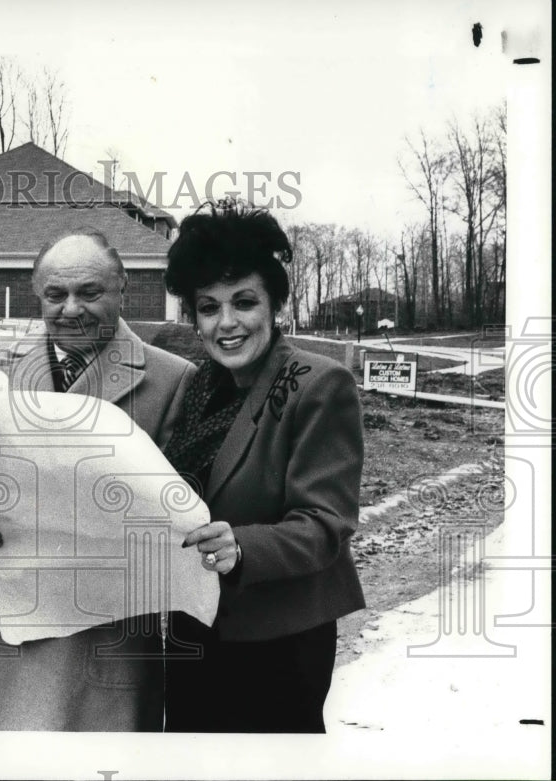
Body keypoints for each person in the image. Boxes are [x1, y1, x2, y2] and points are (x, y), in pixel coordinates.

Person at [0, 227, 197, 730]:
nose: (72, 309)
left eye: (90, 293)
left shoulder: (171, 379)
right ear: (37, 295)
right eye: (55, 295)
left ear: (122, 288)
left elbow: (183, 499)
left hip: (95, 630)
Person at [161, 201, 365, 733]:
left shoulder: (317, 384)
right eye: (208, 307)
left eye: (244, 302)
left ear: (274, 304)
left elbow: (326, 525)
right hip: (193, 625)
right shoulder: (197, 385)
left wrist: (242, 548)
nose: (226, 324)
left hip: (279, 638)